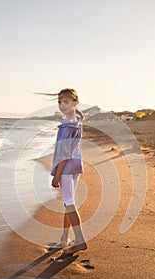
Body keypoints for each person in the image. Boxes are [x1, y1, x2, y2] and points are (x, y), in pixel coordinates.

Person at [50, 88, 87, 254]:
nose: (62, 105)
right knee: (68, 203)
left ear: (75, 103)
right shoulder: (77, 123)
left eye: (66, 102)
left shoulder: (67, 126)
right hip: (76, 166)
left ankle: (80, 240)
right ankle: (64, 239)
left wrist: (56, 176)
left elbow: (63, 155)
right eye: (59, 102)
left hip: (66, 168)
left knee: (69, 203)